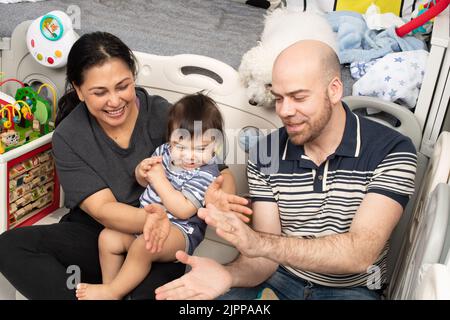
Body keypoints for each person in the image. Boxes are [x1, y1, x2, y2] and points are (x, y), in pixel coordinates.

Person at [154, 40, 418, 300]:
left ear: (334, 90)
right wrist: (228, 275)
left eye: (298, 97)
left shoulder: (392, 150)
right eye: (279, 98)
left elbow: (360, 254)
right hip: (277, 279)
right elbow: (264, 261)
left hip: (352, 289)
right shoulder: (266, 153)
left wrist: (258, 244)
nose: (285, 111)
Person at [0, 32, 249, 300]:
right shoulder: (69, 136)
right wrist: (152, 216)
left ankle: (112, 292)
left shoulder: (163, 114)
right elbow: (104, 210)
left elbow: (216, 169)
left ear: (133, 77)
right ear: (80, 90)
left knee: (146, 292)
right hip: (101, 231)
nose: (115, 101)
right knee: (10, 247)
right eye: (100, 92)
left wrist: (219, 197)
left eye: (122, 86)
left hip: (160, 238)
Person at [75, 93, 227, 300]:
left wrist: (159, 180)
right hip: (145, 223)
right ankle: (110, 287)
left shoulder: (207, 173)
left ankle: (112, 292)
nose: (190, 156)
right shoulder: (164, 151)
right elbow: (144, 182)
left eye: (200, 149)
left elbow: (183, 209)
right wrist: (141, 171)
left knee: (143, 246)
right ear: (170, 139)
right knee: (108, 238)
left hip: (179, 232)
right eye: (180, 147)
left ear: (215, 145)